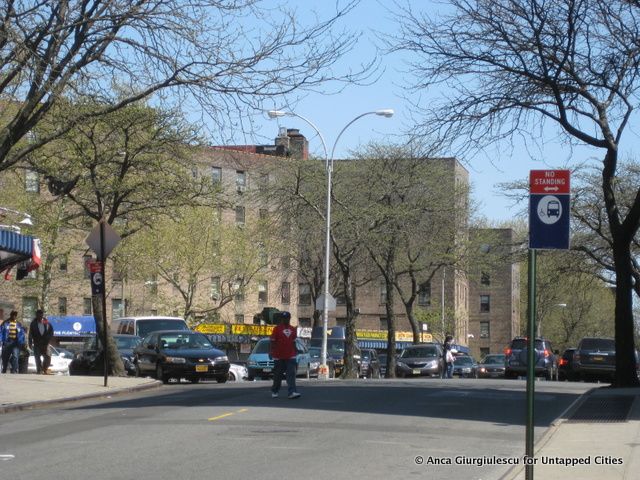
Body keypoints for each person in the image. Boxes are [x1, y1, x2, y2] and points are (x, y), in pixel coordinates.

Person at [269, 311, 301, 399]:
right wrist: (271, 352)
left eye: (287, 318)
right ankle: (275, 390)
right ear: (282, 319)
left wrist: (296, 350)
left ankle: (292, 392)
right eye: (284, 318)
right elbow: (272, 341)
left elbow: (294, 342)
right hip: (278, 356)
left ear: (289, 319)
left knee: (291, 374)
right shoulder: (277, 329)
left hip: (291, 355)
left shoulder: (293, 329)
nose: (285, 320)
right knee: (278, 375)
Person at [29, 309, 55, 374]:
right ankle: (39, 370)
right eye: (38, 315)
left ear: (42, 315)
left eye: (41, 315)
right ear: (36, 315)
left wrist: (48, 339)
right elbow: (30, 333)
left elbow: (51, 332)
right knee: (37, 357)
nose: (40, 317)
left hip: (45, 343)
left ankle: (44, 368)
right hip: (37, 343)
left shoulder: (46, 322)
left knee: (48, 357)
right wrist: (30, 342)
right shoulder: (33, 323)